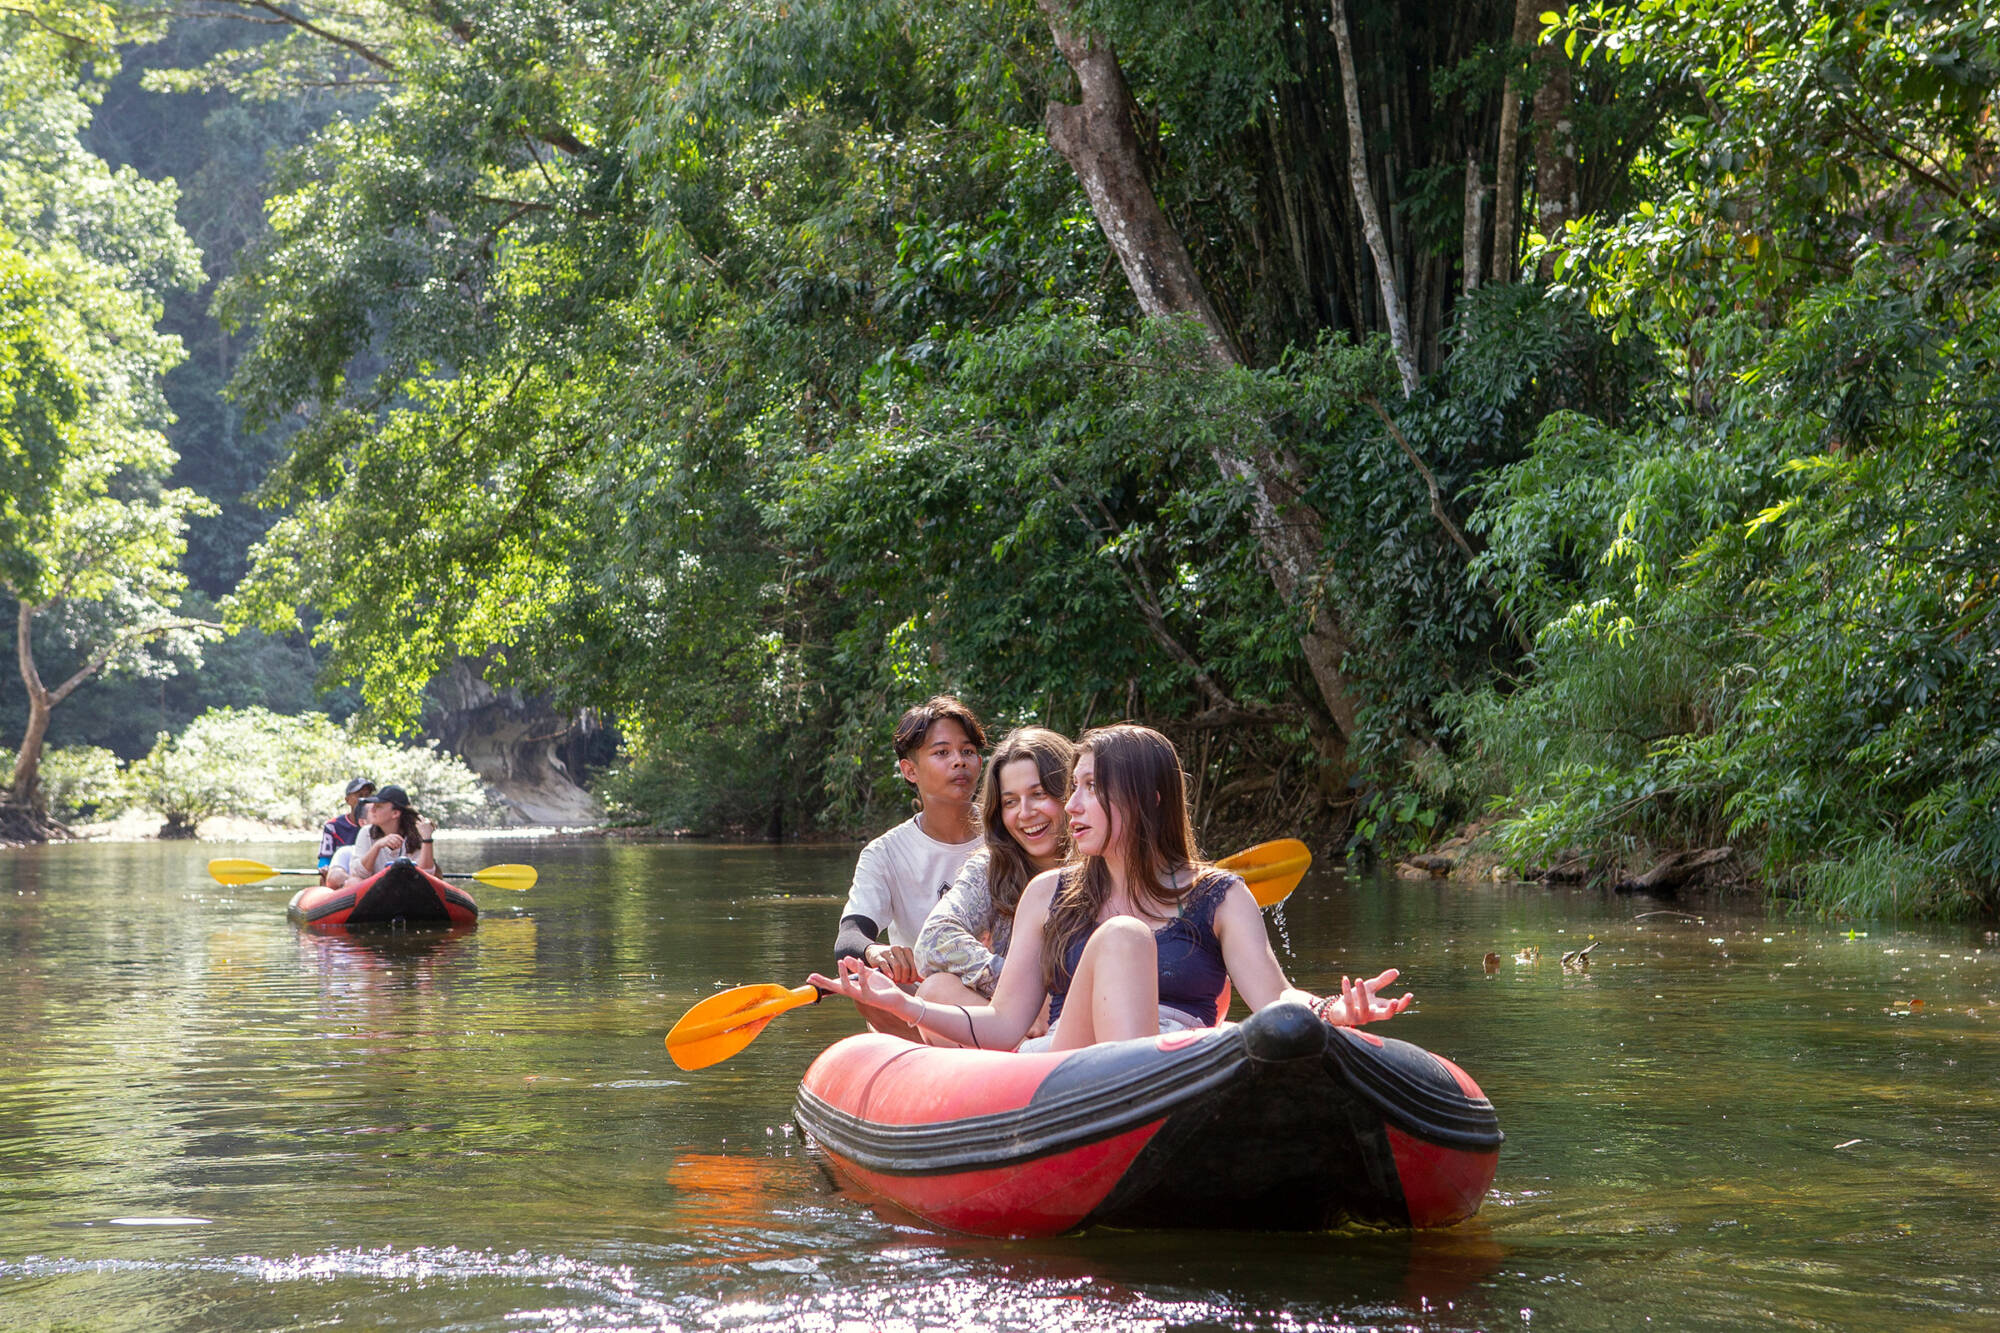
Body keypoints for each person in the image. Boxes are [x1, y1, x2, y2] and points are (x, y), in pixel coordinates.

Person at [813, 723, 1411, 1051]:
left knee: (1131, 943)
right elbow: (1000, 1026)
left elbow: (1275, 995)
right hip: (1074, 1067)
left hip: (1181, 1061)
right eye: (1071, 786)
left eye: (1089, 788)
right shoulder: (1047, 895)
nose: (1068, 806)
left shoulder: (1220, 896)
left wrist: (1332, 1009)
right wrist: (904, 1004)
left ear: (1148, 798)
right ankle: (1133, 1101)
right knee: (1123, 936)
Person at [913, 726, 1076, 1022]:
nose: (1025, 813)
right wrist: (1022, 993)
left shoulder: (1104, 857)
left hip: (1092, 1017)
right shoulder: (991, 867)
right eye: (1010, 802)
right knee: (936, 990)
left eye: (1038, 794)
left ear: (1070, 794)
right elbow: (933, 940)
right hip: (1025, 1026)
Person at [832, 696, 988, 984]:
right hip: (919, 1000)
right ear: (909, 770)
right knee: (868, 985)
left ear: (979, 763)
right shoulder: (884, 854)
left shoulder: (1008, 835)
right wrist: (874, 951)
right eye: (942, 753)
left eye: (967, 751)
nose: (958, 761)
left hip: (1000, 991)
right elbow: (849, 937)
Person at [327, 784, 437, 889]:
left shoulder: (416, 834)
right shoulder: (366, 832)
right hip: (374, 893)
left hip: (409, 891)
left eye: (378, 806)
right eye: (373, 806)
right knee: (353, 882)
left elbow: (426, 875)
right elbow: (358, 873)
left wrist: (427, 839)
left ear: (395, 813)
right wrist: (377, 846)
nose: (372, 810)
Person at [316, 778, 375, 881]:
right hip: (341, 873)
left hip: (367, 874)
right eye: (360, 795)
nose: (364, 800)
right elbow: (325, 859)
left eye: (368, 795)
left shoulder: (378, 824)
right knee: (324, 878)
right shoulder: (333, 826)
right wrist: (324, 867)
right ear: (347, 800)